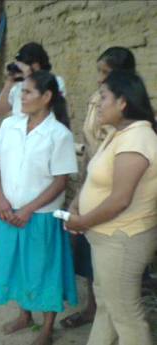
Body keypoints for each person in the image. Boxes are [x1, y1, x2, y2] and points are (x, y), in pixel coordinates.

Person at [65, 71, 157, 345]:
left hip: (123, 238)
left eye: (103, 98)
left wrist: (82, 222)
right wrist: (76, 202)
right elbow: (95, 176)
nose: (97, 105)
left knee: (126, 316)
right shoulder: (118, 135)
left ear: (123, 102)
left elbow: (119, 199)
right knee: (107, 306)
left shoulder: (137, 139)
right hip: (106, 237)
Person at [0, 70, 78, 345]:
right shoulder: (10, 125)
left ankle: (47, 328)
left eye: (27, 92)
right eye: (21, 91)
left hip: (39, 217)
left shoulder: (58, 134)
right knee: (16, 265)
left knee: (44, 269)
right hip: (8, 212)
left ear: (47, 97)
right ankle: (24, 315)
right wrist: (0, 199)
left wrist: (27, 209)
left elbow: (61, 181)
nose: (21, 97)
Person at [60, 46, 136, 329]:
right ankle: (95, 309)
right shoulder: (98, 100)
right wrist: (80, 193)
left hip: (114, 188)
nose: (98, 79)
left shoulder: (132, 112)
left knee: (110, 256)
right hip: (92, 179)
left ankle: (116, 317)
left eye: (105, 73)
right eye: (99, 72)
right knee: (87, 252)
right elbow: (92, 147)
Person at [0, 42, 66, 118]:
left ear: (40, 63)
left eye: (29, 62)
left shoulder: (56, 81)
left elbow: (48, 106)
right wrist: (9, 83)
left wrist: (29, 78)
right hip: (19, 128)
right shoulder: (19, 84)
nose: (26, 66)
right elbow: (0, 110)